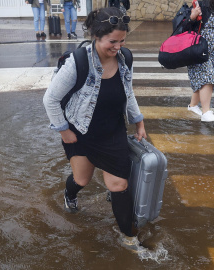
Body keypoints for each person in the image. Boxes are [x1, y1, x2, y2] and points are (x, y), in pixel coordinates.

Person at [43, 7, 147, 251]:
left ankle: (128, 238)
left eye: (122, 41)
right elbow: (50, 100)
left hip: (112, 131)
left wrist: (138, 120)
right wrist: (63, 131)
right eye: (112, 41)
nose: (117, 47)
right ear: (97, 36)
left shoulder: (124, 59)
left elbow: (128, 92)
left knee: (119, 185)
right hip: (80, 132)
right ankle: (70, 195)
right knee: (82, 178)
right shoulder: (78, 63)